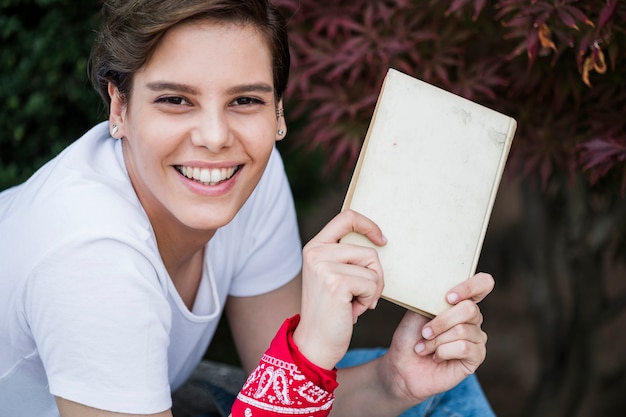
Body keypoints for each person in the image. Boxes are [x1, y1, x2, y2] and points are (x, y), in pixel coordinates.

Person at [0, 1, 496, 416]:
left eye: (244, 101)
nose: (216, 139)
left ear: (278, 111)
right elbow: (290, 382)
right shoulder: (90, 258)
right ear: (119, 108)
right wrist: (308, 353)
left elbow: (285, 388)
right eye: (175, 100)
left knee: (438, 391)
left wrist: (395, 382)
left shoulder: (250, 179)